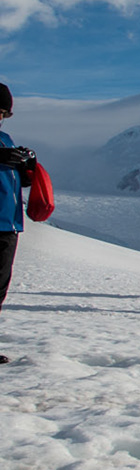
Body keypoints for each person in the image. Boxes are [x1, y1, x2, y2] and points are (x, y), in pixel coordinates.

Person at [0, 83, 42, 357]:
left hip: (8, 223)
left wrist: (27, 167)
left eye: (3, 112)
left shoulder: (5, 138)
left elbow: (16, 181)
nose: (0, 116)